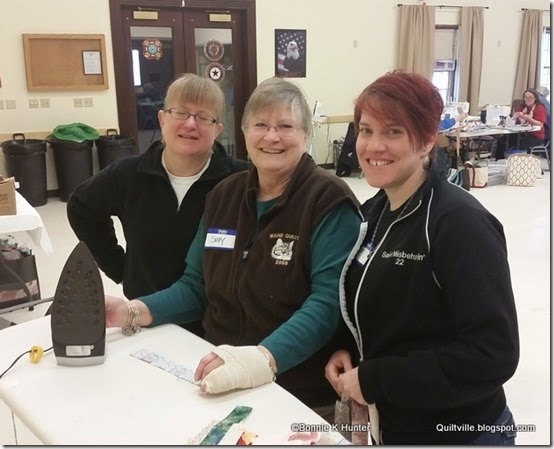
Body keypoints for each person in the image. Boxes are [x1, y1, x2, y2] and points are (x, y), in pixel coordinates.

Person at [103, 77, 362, 419]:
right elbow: (196, 286)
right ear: (244, 132)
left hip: (294, 389)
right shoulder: (224, 195)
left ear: (306, 134)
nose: (271, 137)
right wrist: (130, 311)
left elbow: (327, 303)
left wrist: (262, 358)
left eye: (285, 126)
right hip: (217, 372)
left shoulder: (328, 200)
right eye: (261, 125)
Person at [324, 71, 519, 445]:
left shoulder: (460, 224)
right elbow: (381, 305)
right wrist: (345, 346)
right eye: (366, 130)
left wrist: (376, 379)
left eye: (394, 132)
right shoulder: (376, 210)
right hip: (396, 426)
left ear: (428, 140)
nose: (374, 146)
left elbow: (493, 353)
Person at [67, 73, 248, 335]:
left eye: (203, 117)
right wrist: (121, 269)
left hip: (216, 324)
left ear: (217, 129)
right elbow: (80, 207)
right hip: (144, 316)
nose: (190, 124)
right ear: (162, 119)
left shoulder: (241, 180)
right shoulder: (128, 174)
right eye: (180, 113)